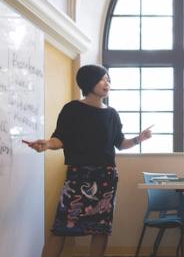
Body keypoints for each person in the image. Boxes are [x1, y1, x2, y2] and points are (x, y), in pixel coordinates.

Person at [24, 64, 153, 257]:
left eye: (108, 79)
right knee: (61, 227)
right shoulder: (72, 109)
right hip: (78, 175)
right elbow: (60, 138)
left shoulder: (112, 114)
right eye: (103, 79)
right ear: (88, 82)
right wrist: (47, 144)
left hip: (106, 176)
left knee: (101, 229)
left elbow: (120, 143)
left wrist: (138, 139)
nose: (107, 83)